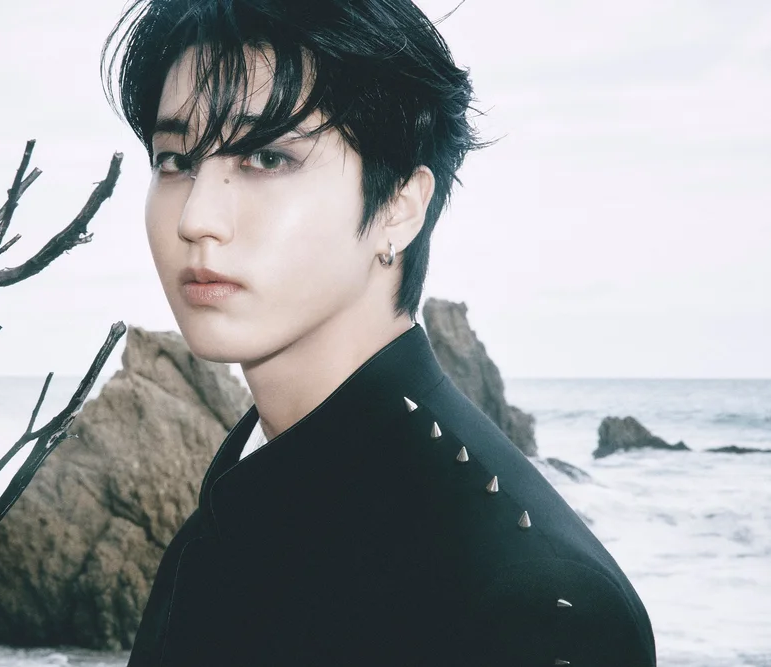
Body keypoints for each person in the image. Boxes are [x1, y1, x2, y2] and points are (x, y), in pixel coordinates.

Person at [100, 1, 657, 665]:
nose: (196, 216)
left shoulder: (536, 606)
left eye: (266, 157)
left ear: (399, 205)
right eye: (174, 159)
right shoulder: (234, 513)